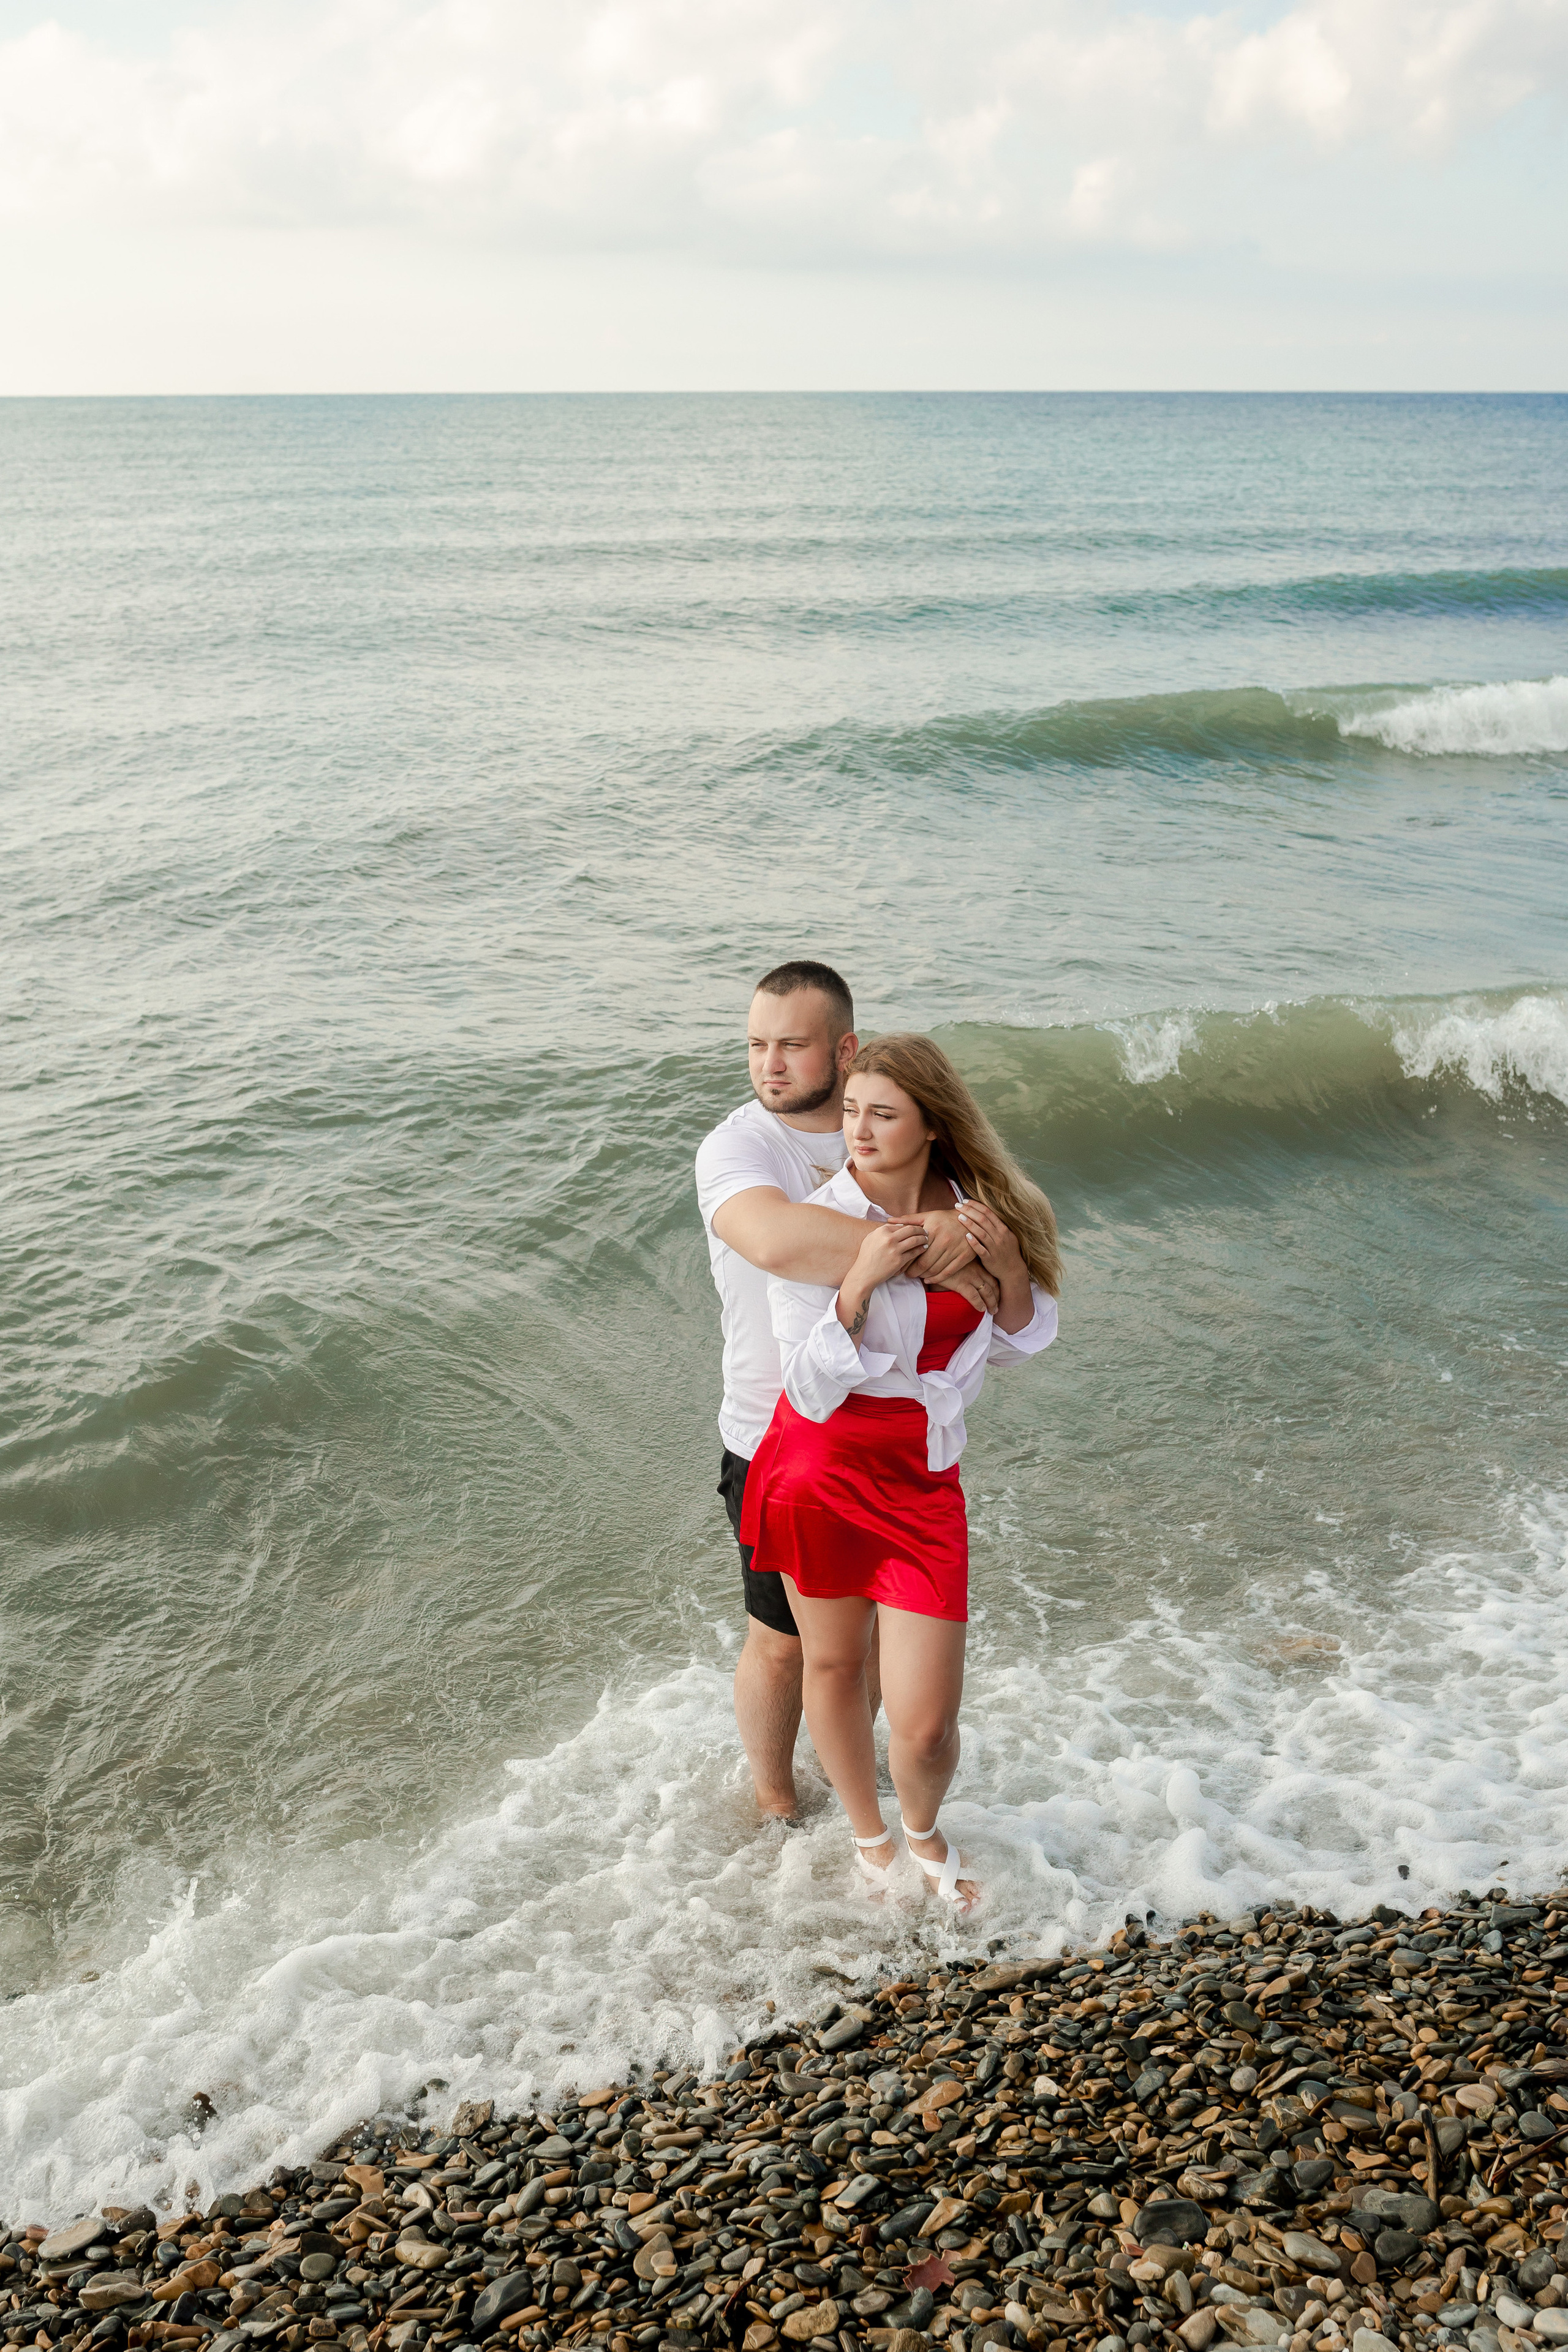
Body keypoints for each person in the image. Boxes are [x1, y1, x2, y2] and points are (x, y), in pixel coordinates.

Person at [738, 1033, 1060, 1913]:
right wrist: (856, 1287)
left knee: (925, 1726)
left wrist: (1004, 1270)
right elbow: (804, 1383)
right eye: (850, 1112)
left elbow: (1023, 1342)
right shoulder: (823, 1220)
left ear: (931, 1125)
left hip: (924, 1479)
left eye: (883, 1114)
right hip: (820, 1464)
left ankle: (923, 1825)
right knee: (835, 1668)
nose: (860, 1132)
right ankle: (876, 1843)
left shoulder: (983, 1212)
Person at [695, 963, 997, 1821]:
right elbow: (779, 1241)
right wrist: (940, 1242)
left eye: (792, 1045)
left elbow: (1005, 1230)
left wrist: (971, 1242)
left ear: (845, 1049)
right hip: (774, 1437)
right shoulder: (739, 1147)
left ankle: (849, 1796)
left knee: (873, 1648)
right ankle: (774, 1797)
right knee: (785, 1644)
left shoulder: (886, 1122)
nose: (771, 1065)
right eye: (757, 1045)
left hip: (899, 1445)